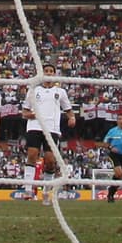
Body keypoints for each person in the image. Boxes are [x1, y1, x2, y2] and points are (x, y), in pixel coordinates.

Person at [21, 63, 75, 203]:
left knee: (50, 161)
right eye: (46, 71)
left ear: (54, 74)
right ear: (42, 73)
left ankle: (46, 192)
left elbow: (68, 110)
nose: (49, 73)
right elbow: (24, 112)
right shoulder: (33, 90)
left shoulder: (60, 92)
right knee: (32, 155)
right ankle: (28, 189)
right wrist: (31, 115)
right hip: (34, 127)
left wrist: (72, 118)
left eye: (51, 71)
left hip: (52, 129)